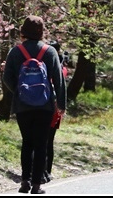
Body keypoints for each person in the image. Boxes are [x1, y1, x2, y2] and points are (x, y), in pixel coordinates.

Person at [2, 15, 67, 195]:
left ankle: (25, 182)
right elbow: (59, 80)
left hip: (23, 106)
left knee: (27, 142)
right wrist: (61, 104)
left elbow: (6, 77)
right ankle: (37, 186)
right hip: (45, 105)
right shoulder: (50, 52)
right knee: (41, 144)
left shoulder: (15, 52)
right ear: (41, 31)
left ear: (23, 31)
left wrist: (20, 91)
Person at [43, 40, 69, 184]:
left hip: (44, 104)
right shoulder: (61, 67)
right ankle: (48, 171)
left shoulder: (45, 65)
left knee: (42, 139)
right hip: (56, 107)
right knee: (50, 140)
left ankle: (42, 170)